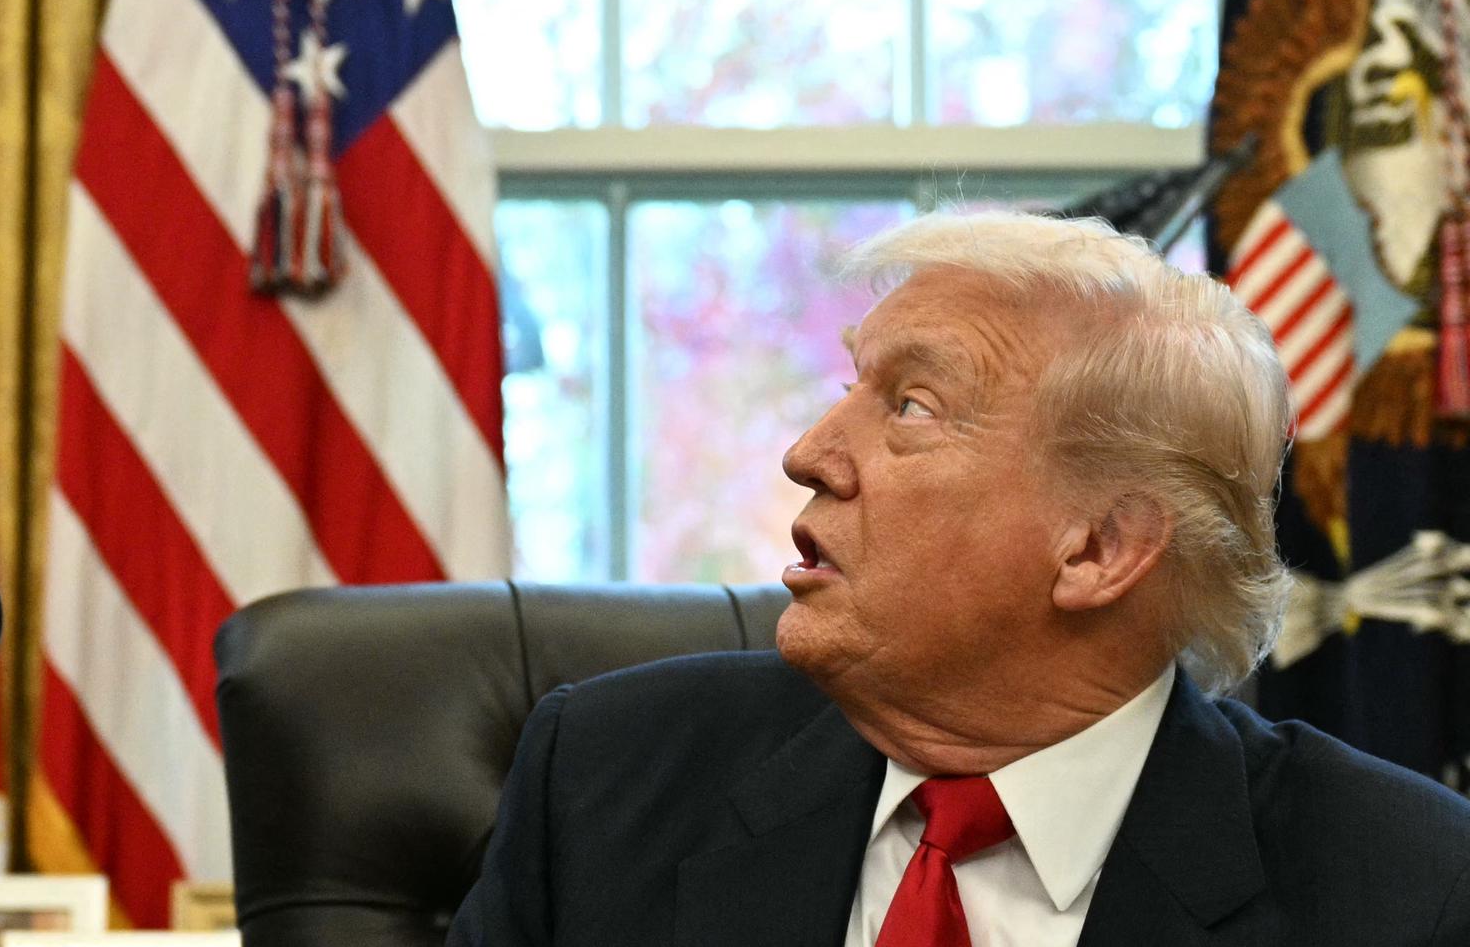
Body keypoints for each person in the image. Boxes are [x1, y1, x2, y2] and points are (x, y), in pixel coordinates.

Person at [447, 210, 1470, 946]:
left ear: (1100, 549)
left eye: (912, 406)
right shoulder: (602, 783)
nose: (808, 453)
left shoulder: (1405, 890)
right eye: (851, 384)